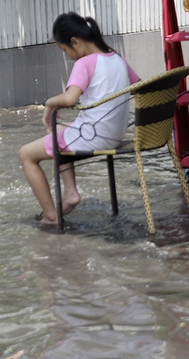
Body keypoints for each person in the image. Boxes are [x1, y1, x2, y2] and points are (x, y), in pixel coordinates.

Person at [18, 13, 141, 225]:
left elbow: (70, 98)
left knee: (26, 154)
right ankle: (70, 192)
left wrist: (49, 103)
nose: (68, 55)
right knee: (58, 133)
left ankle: (51, 216)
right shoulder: (118, 58)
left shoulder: (85, 63)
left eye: (65, 50)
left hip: (94, 136)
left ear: (75, 41)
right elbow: (141, 87)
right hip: (114, 134)